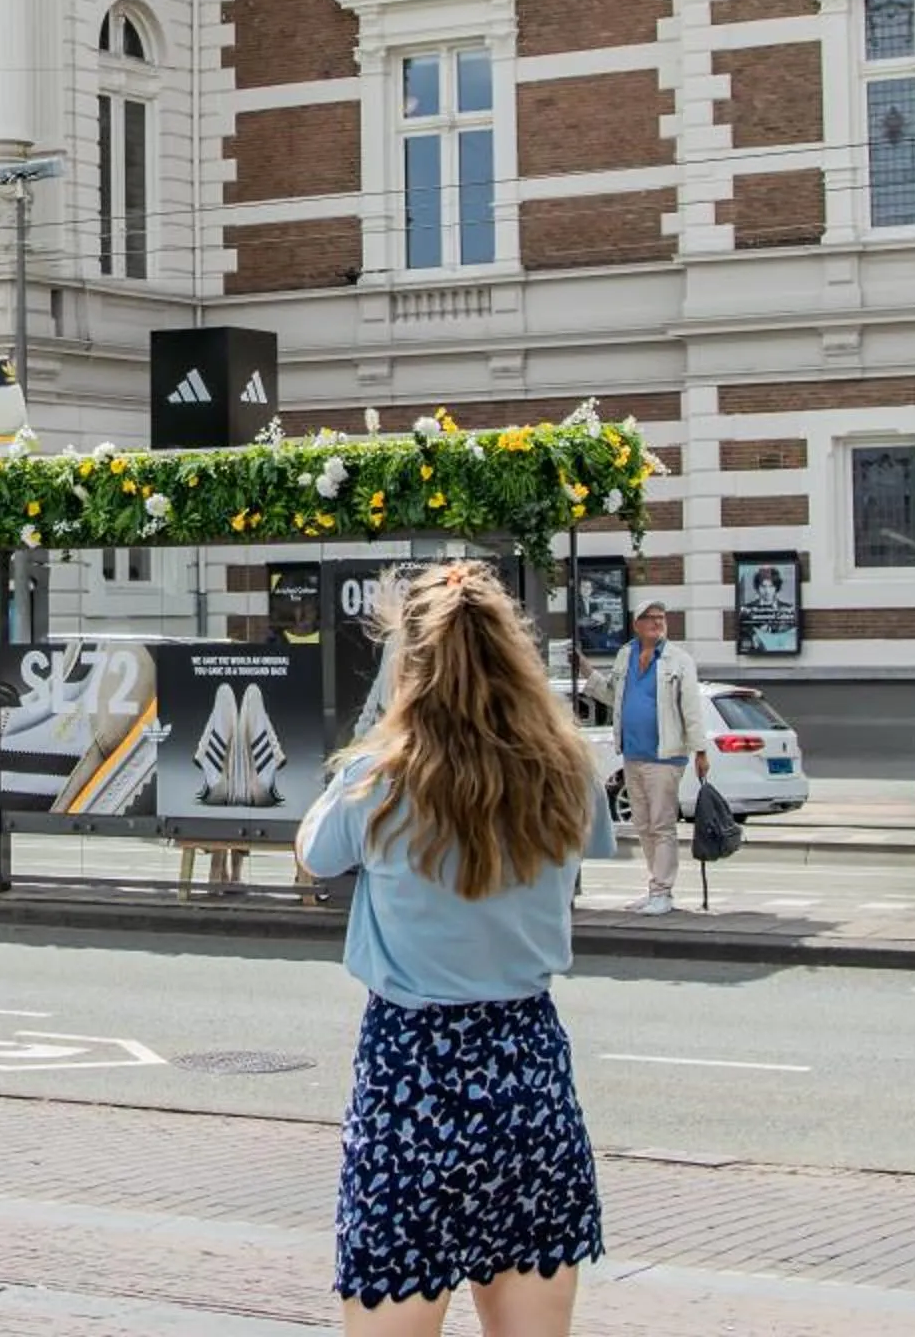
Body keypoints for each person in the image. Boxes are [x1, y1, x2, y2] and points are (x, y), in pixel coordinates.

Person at [296, 562, 612, 1336]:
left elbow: (313, 852)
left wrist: (383, 729)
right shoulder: (568, 770)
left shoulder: (381, 779)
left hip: (413, 1077)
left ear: (409, 666)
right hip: (526, 1070)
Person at [590, 600, 716, 917]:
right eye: (651, 618)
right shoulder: (625, 655)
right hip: (632, 754)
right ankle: (654, 887)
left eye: (661, 618)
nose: (658, 623)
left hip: (665, 755)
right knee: (643, 824)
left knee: (661, 825)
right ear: (637, 624)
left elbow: (691, 708)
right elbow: (613, 694)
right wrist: (586, 673)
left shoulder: (679, 660)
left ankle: (663, 891)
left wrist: (700, 750)